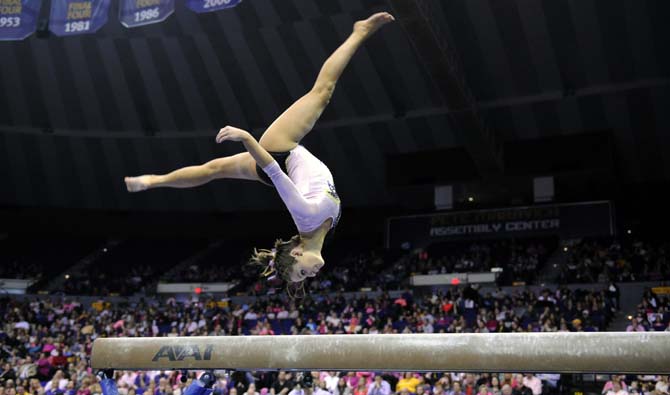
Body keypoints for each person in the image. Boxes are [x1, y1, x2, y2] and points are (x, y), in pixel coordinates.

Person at [123, 12, 395, 294]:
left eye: (302, 272)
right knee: (213, 171)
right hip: (278, 164)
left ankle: (359, 31)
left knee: (322, 92)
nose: (311, 274)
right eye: (306, 277)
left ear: (298, 253)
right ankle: (153, 180)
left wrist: (246, 138)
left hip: (278, 152)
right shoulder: (325, 230)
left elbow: (274, 172)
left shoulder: (305, 217)